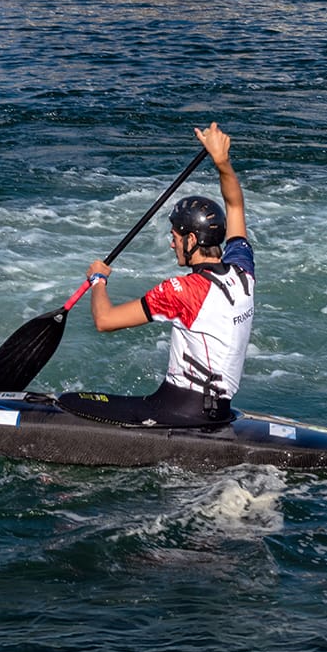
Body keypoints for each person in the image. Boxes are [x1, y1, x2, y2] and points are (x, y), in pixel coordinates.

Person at [61, 123, 254, 428]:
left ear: (192, 240)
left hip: (179, 412)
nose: (172, 242)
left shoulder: (181, 291)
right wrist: (222, 163)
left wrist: (99, 280)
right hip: (218, 412)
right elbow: (235, 204)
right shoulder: (243, 272)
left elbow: (105, 320)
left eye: (176, 236)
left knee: (69, 402)